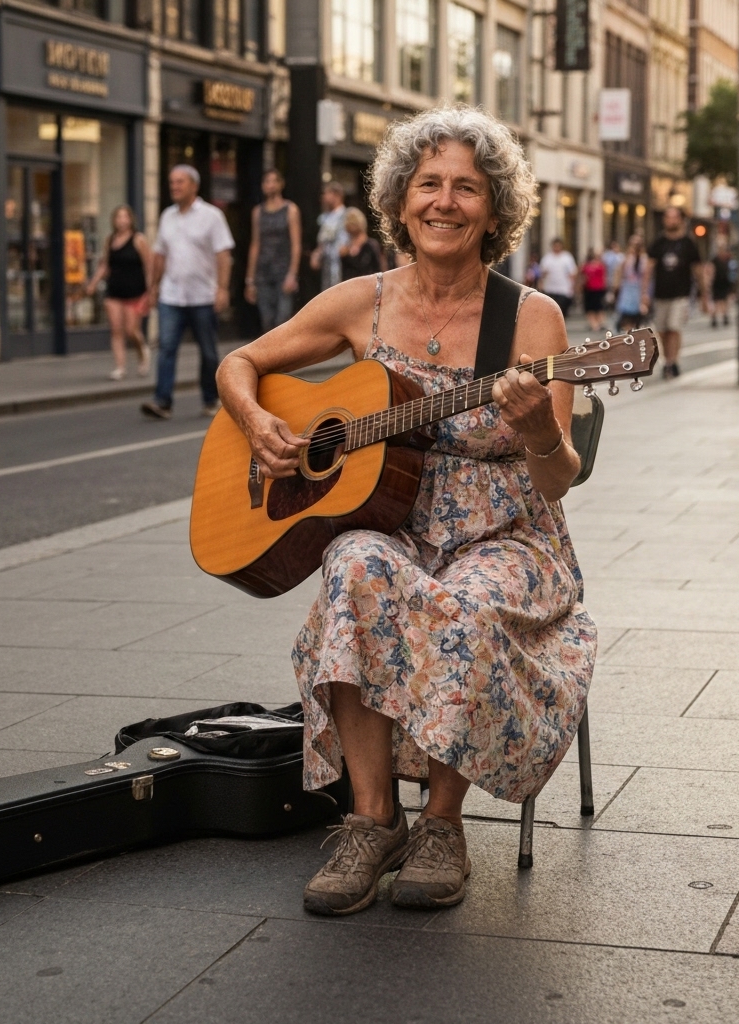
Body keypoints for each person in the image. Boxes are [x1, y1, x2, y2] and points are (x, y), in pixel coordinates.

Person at [216, 106, 596, 916]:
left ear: (495, 209)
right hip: (396, 525)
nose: (445, 202)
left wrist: (535, 430)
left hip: (509, 536)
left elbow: (559, 478)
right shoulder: (362, 302)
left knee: (464, 599)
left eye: (467, 187)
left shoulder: (532, 318)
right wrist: (259, 424)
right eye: (429, 184)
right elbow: (239, 362)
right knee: (353, 564)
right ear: (399, 199)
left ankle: (443, 827)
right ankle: (373, 818)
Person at [142, 165, 234, 420]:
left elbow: (223, 255)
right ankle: (162, 401)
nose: (175, 187)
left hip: (202, 296)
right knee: (167, 348)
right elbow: (160, 254)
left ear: (194, 186)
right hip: (171, 295)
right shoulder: (167, 216)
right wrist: (153, 287)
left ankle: (210, 398)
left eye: (180, 182)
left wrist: (222, 289)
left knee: (207, 351)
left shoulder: (212, 216)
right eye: (172, 182)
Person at [87, 205, 152, 380]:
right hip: (114, 290)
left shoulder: (138, 240)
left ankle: (142, 353)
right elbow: (104, 265)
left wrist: (150, 290)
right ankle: (120, 367)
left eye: (125, 217)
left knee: (131, 330)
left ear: (130, 220)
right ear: (114, 221)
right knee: (116, 329)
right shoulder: (110, 240)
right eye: (118, 217)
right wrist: (93, 283)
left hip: (135, 291)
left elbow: (148, 264)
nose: (122, 221)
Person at [644, 205, 705, 379]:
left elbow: (698, 270)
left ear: (680, 220)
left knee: (674, 328)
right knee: (662, 330)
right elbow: (648, 269)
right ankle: (667, 360)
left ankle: (673, 361)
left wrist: (704, 295)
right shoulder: (658, 243)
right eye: (668, 217)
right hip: (660, 294)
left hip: (681, 294)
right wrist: (644, 293)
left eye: (674, 217)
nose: (671, 221)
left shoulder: (688, 243)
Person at [245, 169, 301, 333]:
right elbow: (255, 244)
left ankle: (284, 358)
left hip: (283, 270)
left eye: (273, 181)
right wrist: (250, 279)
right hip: (263, 271)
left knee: (282, 320)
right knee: (267, 320)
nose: (270, 185)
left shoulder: (290, 209)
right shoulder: (257, 212)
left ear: (280, 184)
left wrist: (292, 274)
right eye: (266, 182)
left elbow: (295, 244)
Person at [310, 182, 349, 291]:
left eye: (326, 193)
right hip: (327, 263)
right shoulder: (324, 217)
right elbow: (323, 240)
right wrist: (317, 254)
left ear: (336, 195)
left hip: (342, 263)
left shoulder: (346, 215)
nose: (324, 197)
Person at [338, 207, 385, 280]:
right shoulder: (345, 250)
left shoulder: (371, 246)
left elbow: (379, 269)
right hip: (350, 287)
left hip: (370, 285)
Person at [615, 234, 649, 333]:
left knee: (638, 320)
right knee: (626, 319)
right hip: (627, 291)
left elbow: (646, 277)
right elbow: (620, 275)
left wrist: (645, 294)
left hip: (639, 291)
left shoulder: (644, 259)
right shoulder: (626, 258)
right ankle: (628, 336)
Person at [538, 238, 577, 317]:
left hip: (563, 289)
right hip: (550, 288)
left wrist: (573, 286)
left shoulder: (567, 257)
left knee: (562, 309)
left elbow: (573, 272)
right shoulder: (547, 258)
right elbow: (542, 273)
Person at [579, 248, 608, 331]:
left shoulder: (587, 266)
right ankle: (597, 323)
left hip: (594, 288)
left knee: (593, 307)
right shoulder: (599, 265)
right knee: (597, 306)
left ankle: (595, 324)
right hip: (595, 288)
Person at [709, 243, 733, 328]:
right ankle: (715, 318)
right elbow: (711, 270)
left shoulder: (727, 259)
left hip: (724, 282)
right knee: (717, 301)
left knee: (724, 301)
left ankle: (724, 316)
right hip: (717, 282)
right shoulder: (715, 260)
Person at [601, 239, 625, 308]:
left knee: (617, 293)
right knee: (610, 293)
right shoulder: (607, 256)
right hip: (609, 278)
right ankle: (610, 305)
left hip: (619, 279)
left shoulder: (621, 256)